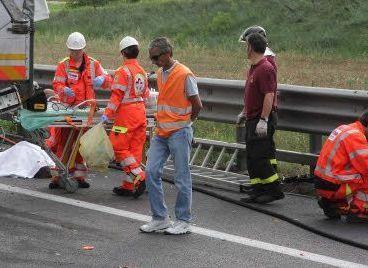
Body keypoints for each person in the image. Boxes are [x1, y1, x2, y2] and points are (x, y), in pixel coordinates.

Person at [140, 37, 202, 235]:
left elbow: (197, 104)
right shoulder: (159, 73)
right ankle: (160, 218)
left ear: (168, 54)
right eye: (151, 58)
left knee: (182, 177)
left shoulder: (185, 74)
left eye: (156, 57)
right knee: (150, 172)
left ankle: (183, 220)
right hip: (161, 132)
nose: (154, 61)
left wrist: (187, 125)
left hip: (179, 132)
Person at [48, 32, 111, 189]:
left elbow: (108, 80)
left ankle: (79, 176)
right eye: (73, 51)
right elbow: (57, 85)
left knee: (81, 144)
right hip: (69, 109)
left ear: (83, 49)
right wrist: (64, 90)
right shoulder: (64, 65)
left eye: (78, 51)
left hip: (86, 110)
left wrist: (103, 80)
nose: (75, 53)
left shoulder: (93, 64)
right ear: (69, 49)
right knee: (63, 143)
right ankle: (59, 176)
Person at [238, 33, 284, 204]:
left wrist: (263, 120)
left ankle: (274, 190)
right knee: (252, 157)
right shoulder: (255, 67)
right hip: (253, 118)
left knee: (259, 157)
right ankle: (258, 189)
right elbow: (253, 94)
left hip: (260, 119)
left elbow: (268, 95)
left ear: (251, 47)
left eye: (246, 45)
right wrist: (245, 112)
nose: (245, 49)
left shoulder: (265, 68)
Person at [100, 36, 149, 198]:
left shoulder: (123, 71)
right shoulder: (142, 71)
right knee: (134, 150)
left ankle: (139, 176)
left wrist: (106, 115)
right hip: (140, 113)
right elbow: (146, 95)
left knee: (118, 146)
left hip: (127, 116)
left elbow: (116, 97)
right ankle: (128, 185)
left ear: (123, 53)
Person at [314, 111, 368, 222]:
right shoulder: (356, 136)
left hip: (323, 183)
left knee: (356, 171)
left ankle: (333, 204)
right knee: (365, 175)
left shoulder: (346, 128)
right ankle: (359, 211)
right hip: (333, 184)